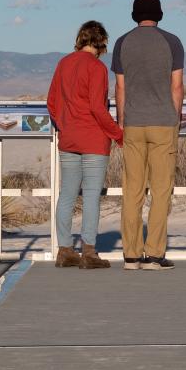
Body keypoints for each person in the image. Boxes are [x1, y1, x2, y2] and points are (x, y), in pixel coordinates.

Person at [112, 0, 184, 270]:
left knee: (132, 190)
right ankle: (154, 254)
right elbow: (176, 85)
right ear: (159, 14)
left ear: (134, 15)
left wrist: (121, 120)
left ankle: (131, 254)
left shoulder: (122, 42)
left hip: (133, 122)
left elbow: (120, 87)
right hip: (163, 122)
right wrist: (174, 117)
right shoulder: (172, 42)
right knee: (161, 190)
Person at [45, 19, 125, 268]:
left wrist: (66, 124)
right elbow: (97, 108)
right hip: (93, 138)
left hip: (68, 138)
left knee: (67, 194)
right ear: (102, 42)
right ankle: (89, 251)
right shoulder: (97, 68)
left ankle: (65, 249)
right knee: (91, 195)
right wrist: (118, 134)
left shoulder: (63, 63)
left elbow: (52, 102)